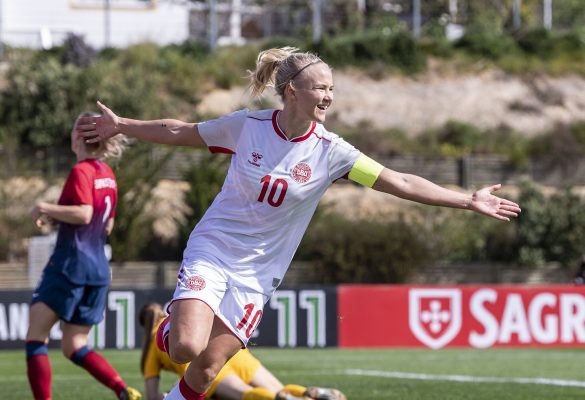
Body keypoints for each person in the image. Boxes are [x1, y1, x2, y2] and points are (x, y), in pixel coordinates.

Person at [77, 46, 521, 400]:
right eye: (319, 88)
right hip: (214, 249)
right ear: (291, 91)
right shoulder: (246, 127)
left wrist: (467, 199)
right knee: (186, 348)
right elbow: (181, 131)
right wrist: (123, 126)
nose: (327, 96)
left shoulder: (333, 153)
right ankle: (169, 328)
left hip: (258, 275)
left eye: (331, 88)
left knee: (209, 368)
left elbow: (398, 179)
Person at [26, 112, 141, 400]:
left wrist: (45, 207)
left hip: (70, 264)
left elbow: (84, 213)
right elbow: (107, 224)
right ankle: (122, 389)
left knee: (35, 337)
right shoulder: (107, 175)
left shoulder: (82, 171)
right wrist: (58, 219)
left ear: (77, 137)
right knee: (74, 345)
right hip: (98, 269)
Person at [139, 303, 346, 400]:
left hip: (209, 364)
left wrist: (169, 394)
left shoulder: (151, 345)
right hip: (233, 351)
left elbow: (151, 396)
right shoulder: (182, 316)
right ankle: (313, 393)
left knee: (246, 394)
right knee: (278, 388)